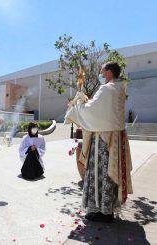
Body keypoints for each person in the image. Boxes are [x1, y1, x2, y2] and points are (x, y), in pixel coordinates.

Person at [65, 62, 133, 223]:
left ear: (109, 72)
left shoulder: (107, 89)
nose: (100, 74)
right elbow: (101, 111)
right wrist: (87, 100)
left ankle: (101, 212)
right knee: (109, 174)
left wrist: (79, 105)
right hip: (115, 139)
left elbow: (92, 112)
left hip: (103, 140)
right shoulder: (119, 89)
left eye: (102, 71)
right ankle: (107, 209)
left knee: (100, 173)